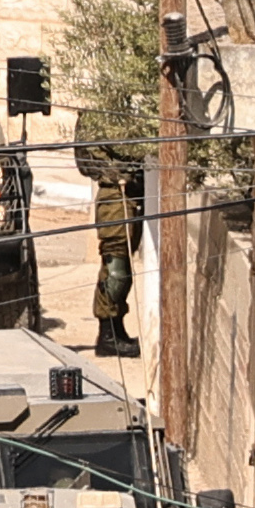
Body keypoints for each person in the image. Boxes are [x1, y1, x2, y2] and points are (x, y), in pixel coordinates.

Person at [74, 125, 144, 359]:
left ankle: (117, 331)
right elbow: (93, 157)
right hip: (114, 198)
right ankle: (108, 337)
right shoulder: (96, 120)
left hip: (127, 196)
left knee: (123, 271)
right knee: (116, 271)